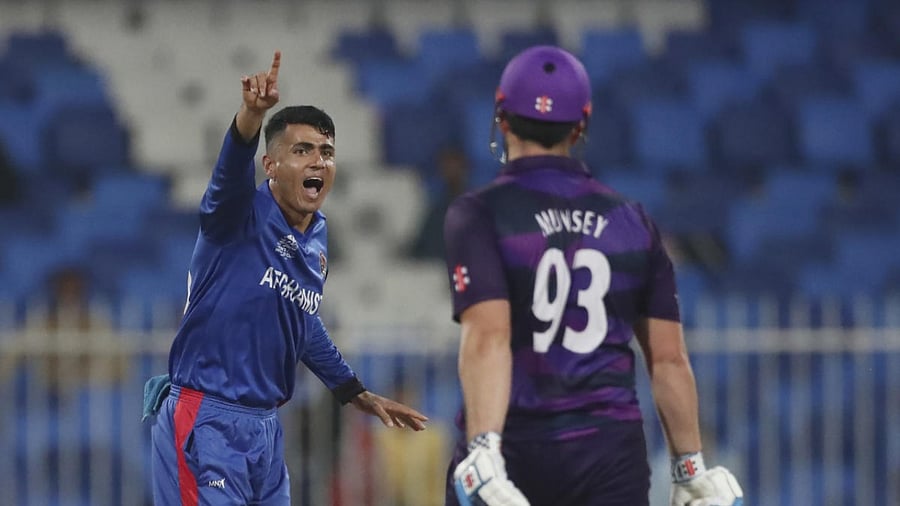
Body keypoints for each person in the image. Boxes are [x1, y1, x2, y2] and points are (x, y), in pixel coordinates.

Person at [442, 45, 743, 506]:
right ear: (580, 126)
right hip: (609, 457)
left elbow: (488, 339)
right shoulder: (632, 220)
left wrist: (484, 448)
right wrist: (690, 470)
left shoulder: (479, 214)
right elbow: (668, 360)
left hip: (516, 449)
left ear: (501, 117)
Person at [144, 50, 428, 506]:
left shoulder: (316, 237)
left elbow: (299, 317)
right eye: (302, 151)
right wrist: (251, 116)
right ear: (271, 166)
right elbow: (229, 173)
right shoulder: (235, 215)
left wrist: (352, 391)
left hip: (265, 431)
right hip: (207, 420)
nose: (318, 162)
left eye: (327, 152)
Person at [406, 146, 470, 261]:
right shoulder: (437, 209)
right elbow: (422, 245)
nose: (450, 171)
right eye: (446, 167)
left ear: (464, 167)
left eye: (454, 166)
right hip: (439, 270)